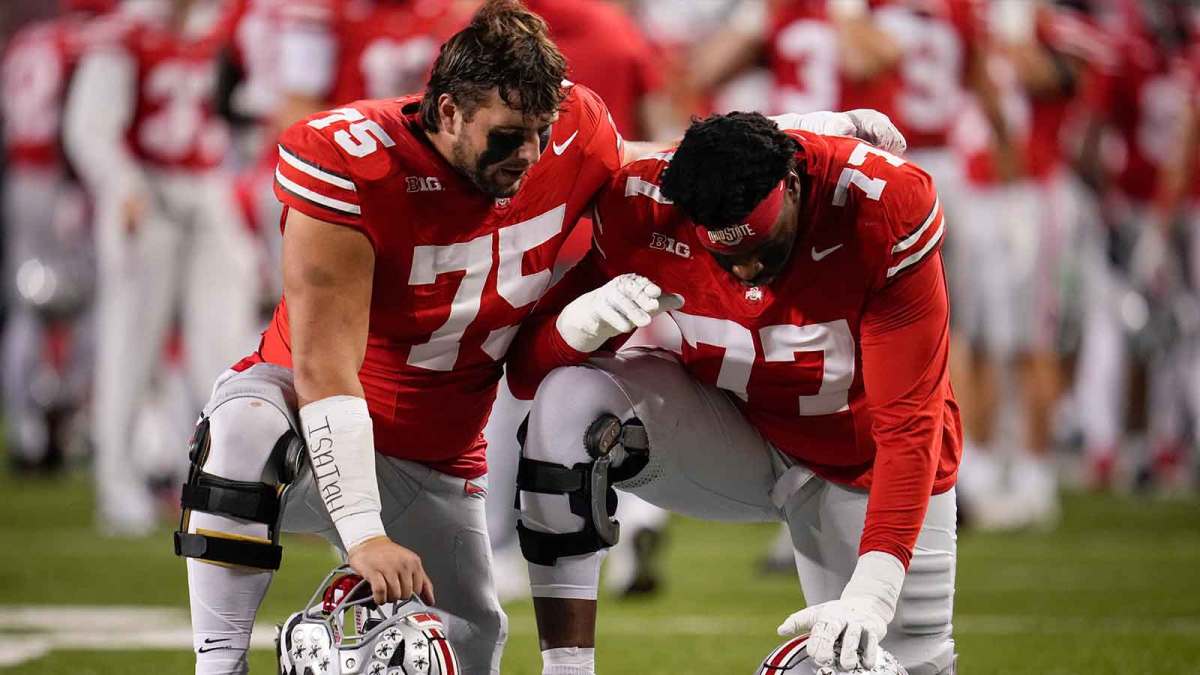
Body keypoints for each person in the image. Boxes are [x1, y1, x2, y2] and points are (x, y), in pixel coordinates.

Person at [174, 0, 902, 670]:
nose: (528, 155)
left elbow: (662, 170)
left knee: (463, 645)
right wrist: (363, 532)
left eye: (541, 134)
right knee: (243, 427)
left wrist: (796, 138)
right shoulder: (351, 163)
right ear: (448, 110)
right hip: (314, 425)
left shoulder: (570, 138)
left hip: (436, 456)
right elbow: (326, 371)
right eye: (507, 137)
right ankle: (219, 663)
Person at [505, 112, 958, 675]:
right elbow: (525, 375)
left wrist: (875, 589)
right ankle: (566, 669)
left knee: (903, 664)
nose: (745, 269)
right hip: (735, 432)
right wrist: (577, 330)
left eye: (764, 248)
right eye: (725, 254)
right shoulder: (651, 205)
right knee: (569, 397)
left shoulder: (881, 204)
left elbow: (910, 422)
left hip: (860, 453)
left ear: (793, 183)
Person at [63, 0, 261, 536]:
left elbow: (239, 104)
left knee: (224, 345)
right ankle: (118, 482)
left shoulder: (214, 25)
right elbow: (87, 129)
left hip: (204, 186)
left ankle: (222, 479)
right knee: (131, 344)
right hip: (145, 192)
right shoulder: (123, 34)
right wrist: (119, 185)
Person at [0, 0, 111, 473]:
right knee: (87, 304)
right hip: (62, 183)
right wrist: (70, 187)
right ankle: (63, 417)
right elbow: (76, 123)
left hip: (21, 179)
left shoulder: (28, 41)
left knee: (27, 305)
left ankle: (27, 428)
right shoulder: (81, 44)